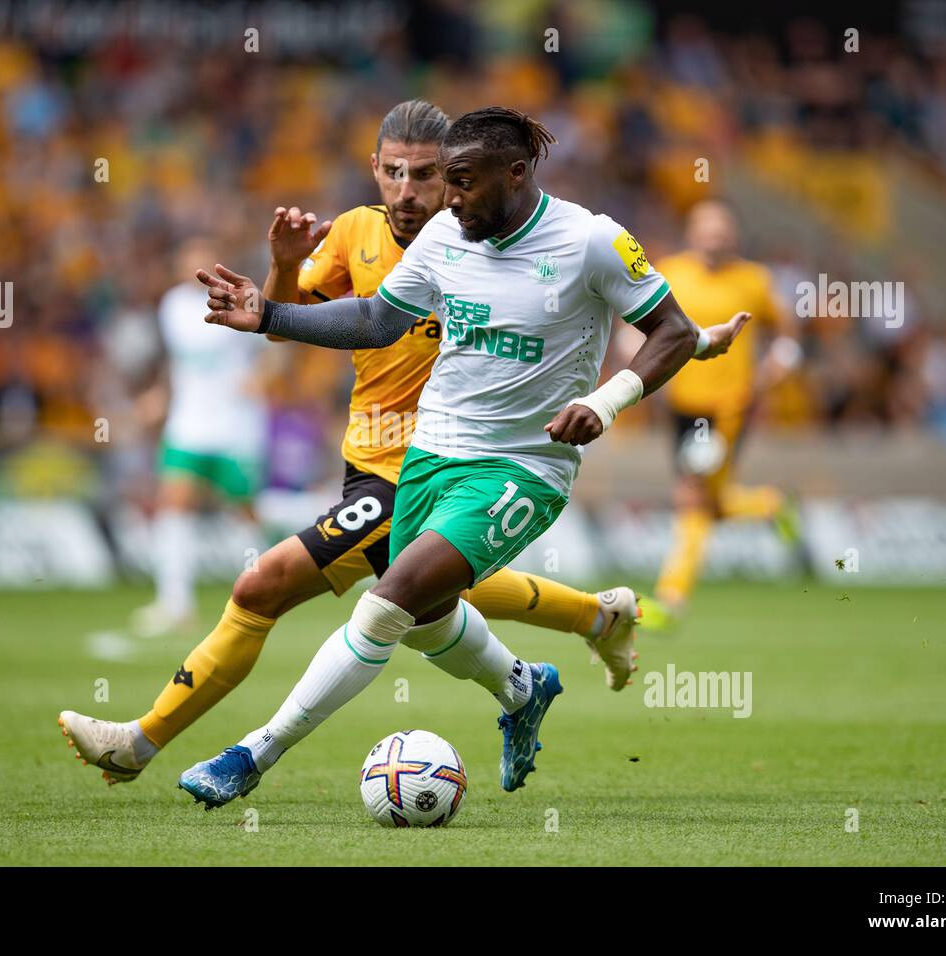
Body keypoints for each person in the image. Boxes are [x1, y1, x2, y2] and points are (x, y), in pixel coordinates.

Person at [178, 106, 749, 807]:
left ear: (517, 172)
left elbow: (671, 330)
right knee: (424, 618)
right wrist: (270, 315)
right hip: (429, 455)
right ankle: (522, 686)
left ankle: (251, 755)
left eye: (465, 182)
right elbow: (375, 318)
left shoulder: (591, 240)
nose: (449, 198)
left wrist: (604, 403)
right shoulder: (448, 233)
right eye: (446, 181)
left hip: (521, 469)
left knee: (386, 605)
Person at [59, 101, 644, 785]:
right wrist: (281, 269)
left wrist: (657, 360)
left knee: (264, 584)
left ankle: (147, 743)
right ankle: (570, 642)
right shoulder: (357, 236)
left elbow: (601, 301)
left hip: (439, 463)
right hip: (369, 459)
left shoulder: (492, 239)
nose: (408, 190)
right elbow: (298, 324)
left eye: (428, 175)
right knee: (430, 605)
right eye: (393, 172)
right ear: (373, 169)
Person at [645, 200, 801, 628]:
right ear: (691, 233)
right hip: (680, 403)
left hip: (729, 407)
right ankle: (768, 504)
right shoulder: (670, 271)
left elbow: (787, 332)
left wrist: (775, 370)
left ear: (733, 235)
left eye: (721, 229)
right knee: (708, 501)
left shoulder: (754, 279)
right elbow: (644, 320)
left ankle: (671, 596)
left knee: (691, 497)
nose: (714, 237)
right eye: (706, 228)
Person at [128, 238, 269, 638]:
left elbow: (275, 345)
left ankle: (261, 593)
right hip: (189, 423)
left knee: (245, 512)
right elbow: (179, 361)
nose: (197, 267)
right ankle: (175, 604)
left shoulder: (242, 298)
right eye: (189, 260)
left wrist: (262, 377)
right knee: (173, 504)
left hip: (235, 424)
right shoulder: (171, 305)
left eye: (204, 260)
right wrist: (160, 395)